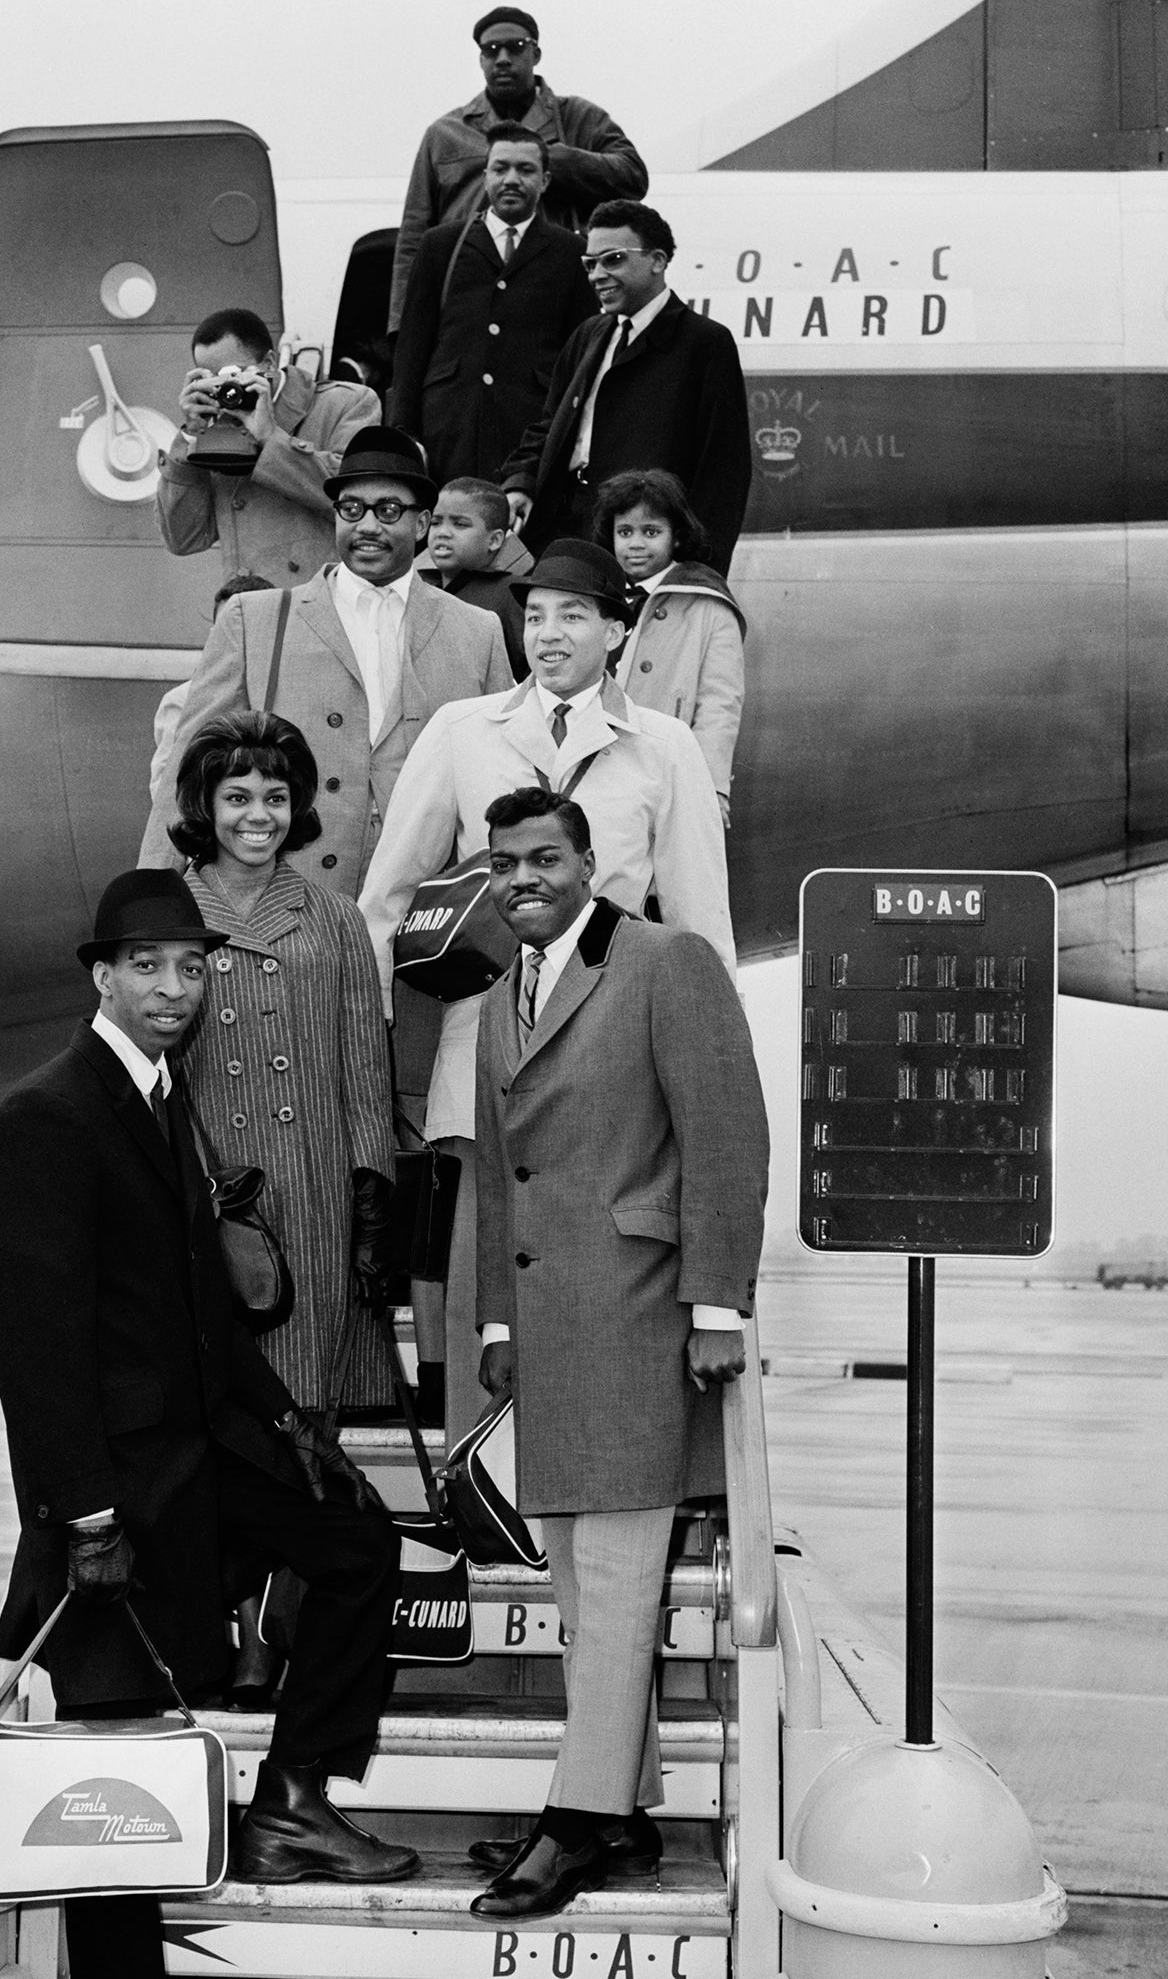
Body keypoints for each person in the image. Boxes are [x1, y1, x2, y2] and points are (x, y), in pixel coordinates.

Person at [0, 869, 417, 1977]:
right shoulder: (49, 1113)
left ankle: (293, 1797)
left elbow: (203, 1308)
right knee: (117, 1763)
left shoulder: (165, 1098)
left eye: (190, 967)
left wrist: (288, 1421)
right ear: (102, 975)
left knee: (359, 1543)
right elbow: (35, 1348)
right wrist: (85, 1515)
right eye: (147, 967)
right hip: (120, 1486)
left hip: (210, 1442)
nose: (174, 988)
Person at [467, 788, 769, 1919]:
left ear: (591, 860)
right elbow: (504, 1173)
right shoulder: (505, 992)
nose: (525, 877)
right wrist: (499, 1317)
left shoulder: (664, 961)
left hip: (644, 1319)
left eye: (546, 856)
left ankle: (576, 1821)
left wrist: (717, 1305)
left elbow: (727, 1134)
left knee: (619, 1578)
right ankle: (626, 1803)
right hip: (553, 1331)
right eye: (505, 862)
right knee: (581, 1594)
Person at [358, 539, 732, 1443]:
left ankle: (601, 1476)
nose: (550, 634)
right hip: (486, 1030)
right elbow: (387, 899)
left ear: (617, 629)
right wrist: (367, 1043)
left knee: (603, 1268)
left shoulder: (666, 748)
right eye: (535, 617)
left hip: (617, 1042)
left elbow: (697, 923)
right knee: (484, 1278)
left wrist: (714, 1076)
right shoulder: (462, 731)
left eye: (573, 615)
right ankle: (485, 1499)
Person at [168, 713, 397, 1700]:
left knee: (304, 1429)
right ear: (204, 809)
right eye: (237, 797)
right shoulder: (165, 913)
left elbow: (362, 1072)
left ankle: (272, 1632)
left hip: (310, 1211)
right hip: (206, 1213)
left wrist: (370, 1198)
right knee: (209, 1425)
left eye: (273, 795)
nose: (257, 814)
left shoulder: (336, 917)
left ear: (297, 804)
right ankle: (206, 1620)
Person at [140, 427, 514, 903]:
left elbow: (503, 780)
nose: (368, 526)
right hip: (280, 904)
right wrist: (153, 903)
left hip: (422, 914)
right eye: (352, 509)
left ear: (421, 525)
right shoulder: (253, 620)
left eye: (389, 510)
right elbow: (188, 768)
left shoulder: (476, 630)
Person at [500, 202, 754, 573]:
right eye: (590, 264)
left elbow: (723, 472)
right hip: (562, 528)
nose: (597, 275)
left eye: (613, 259)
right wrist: (521, 483)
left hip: (640, 542)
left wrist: (699, 572)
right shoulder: (589, 334)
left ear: (657, 260)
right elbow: (548, 425)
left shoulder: (705, 343)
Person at [389, 6, 647, 332]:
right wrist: (403, 325)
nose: (503, 59)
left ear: (536, 53)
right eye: (491, 51)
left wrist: (556, 159)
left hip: (553, 293)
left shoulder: (579, 118)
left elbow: (634, 177)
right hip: (465, 297)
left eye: (516, 47)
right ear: (481, 60)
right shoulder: (445, 134)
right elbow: (414, 233)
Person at [388, 123, 596, 487]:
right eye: (500, 169)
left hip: (529, 436)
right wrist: (405, 433)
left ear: (545, 181)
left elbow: (580, 357)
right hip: (449, 430)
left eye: (526, 169)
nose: (511, 179)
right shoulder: (441, 245)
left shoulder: (573, 253)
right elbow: (413, 345)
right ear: (485, 177)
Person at [157, 307, 379, 586]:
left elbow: (356, 500)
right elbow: (182, 538)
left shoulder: (346, 404)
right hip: (247, 608)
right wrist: (188, 439)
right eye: (210, 378)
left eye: (232, 374)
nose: (226, 388)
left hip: (318, 601)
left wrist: (270, 437)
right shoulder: (211, 427)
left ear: (269, 363)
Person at [594, 469, 745, 820]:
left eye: (651, 532)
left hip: (669, 772)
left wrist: (710, 786)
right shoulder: (597, 595)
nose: (635, 544)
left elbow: (719, 705)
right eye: (624, 532)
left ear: (676, 536)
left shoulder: (707, 602)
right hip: (595, 771)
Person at [151, 571, 274, 804]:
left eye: (253, 629)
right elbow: (166, 794)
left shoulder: (294, 695)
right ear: (213, 635)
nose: (240, 640)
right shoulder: (182, 701)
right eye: (228, 630)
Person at [417, 478, 533, 679]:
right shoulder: (419, 588)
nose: (443, 533)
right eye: (435, 522)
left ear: (495, 540)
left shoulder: (511, 594)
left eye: (460, 524)